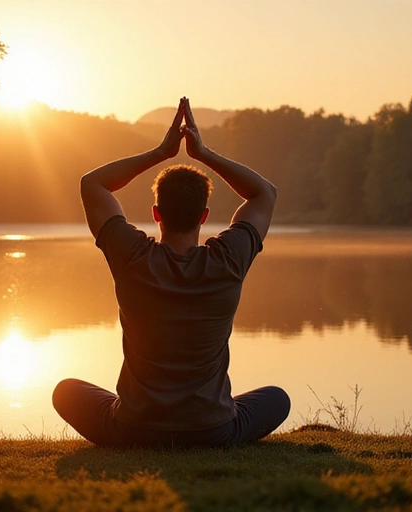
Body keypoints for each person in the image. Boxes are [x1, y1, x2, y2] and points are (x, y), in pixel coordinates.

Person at [52, 97, 290, 447]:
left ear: (156, 213)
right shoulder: (227, 260)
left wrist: (160, 153)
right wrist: (203, 153)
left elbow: (93, 184)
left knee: (65, 392)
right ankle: (213, 415)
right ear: (204, 216)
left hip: (133, 430)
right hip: (213, 432)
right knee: (277, 398)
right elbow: (264, 193)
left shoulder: (132, 256)